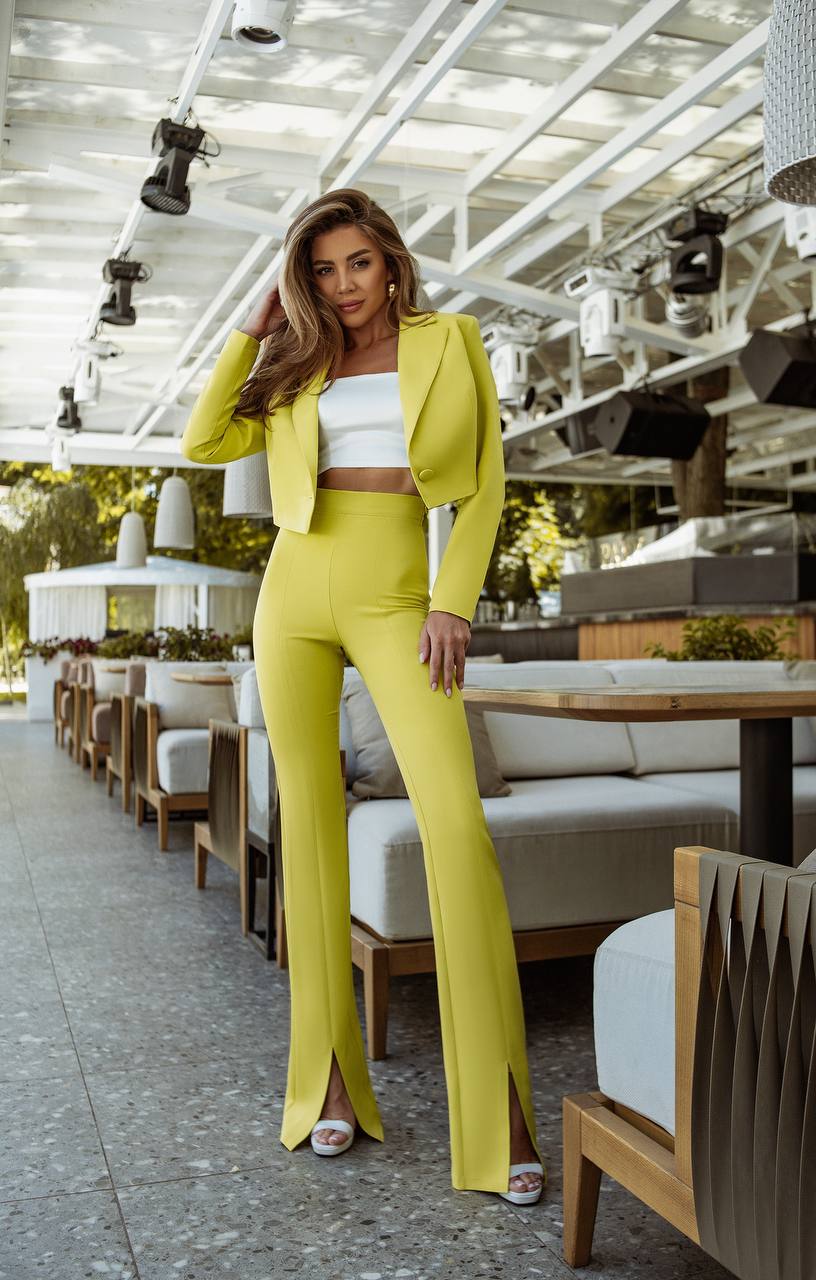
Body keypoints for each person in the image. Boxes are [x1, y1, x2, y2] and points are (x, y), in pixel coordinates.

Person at [180, 188, 545, 1204]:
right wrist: (250, 330)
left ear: (390, 259)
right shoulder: (296, 360)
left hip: (400, 595)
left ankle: (501, 1108)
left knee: (455, 828)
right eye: (324, 269)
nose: (343, 286)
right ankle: (328, 1081)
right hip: (293, 591)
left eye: (359, 264)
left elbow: (483, 484)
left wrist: (452, 602)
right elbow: (204, 442)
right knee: (311, 833)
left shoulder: (450, 340)